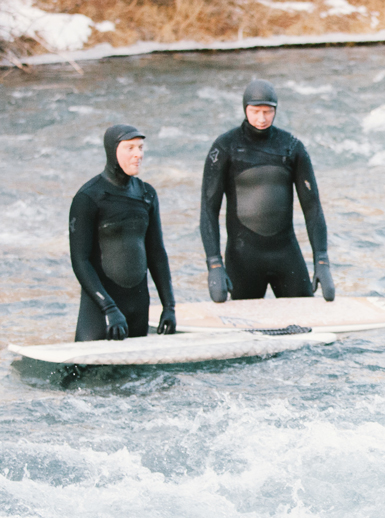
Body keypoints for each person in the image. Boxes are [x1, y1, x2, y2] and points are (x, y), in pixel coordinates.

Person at [200, 79, 334, 303]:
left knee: (308, 319)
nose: (261, 118)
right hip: (243, 258)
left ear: (275, 110)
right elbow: (208, 210)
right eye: (255, 111)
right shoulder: (224, 147)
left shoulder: (291, 147)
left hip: (286, 254)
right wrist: (214, 264)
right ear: (245, 109)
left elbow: (312, 207)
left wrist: (322, 261)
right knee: (242, 325)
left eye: (268, 111)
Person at [68, 124, 176, 342]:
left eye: (140, 147)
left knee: (137, 366)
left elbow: (157, 253)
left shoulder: (146, 194)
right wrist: (108, 308)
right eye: (130, 148)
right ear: (112, 151)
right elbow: (80, 261)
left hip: (138, 307)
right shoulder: (89, 197)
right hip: (101, 312)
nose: (138, 154)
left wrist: (169, 306)